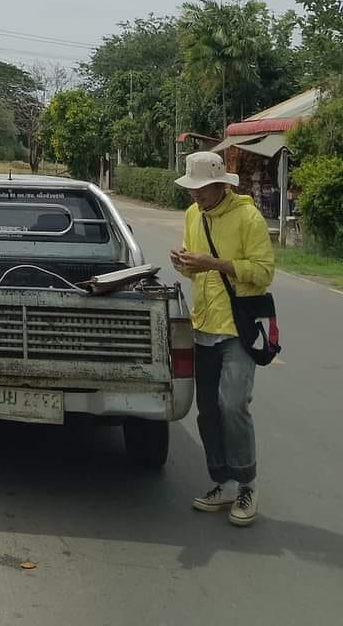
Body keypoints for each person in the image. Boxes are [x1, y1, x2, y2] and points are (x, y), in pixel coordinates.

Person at [169, 150, 274, 527]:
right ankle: (224, 482)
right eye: (191, 189)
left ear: (219, 184)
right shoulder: (192, 215)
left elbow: (263, 272)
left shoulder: (248, 217)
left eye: (201, 189)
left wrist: (212, 263)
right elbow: (196, 274)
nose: (194, 195)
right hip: (203, 324)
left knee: (232, 405)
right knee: (208, 410)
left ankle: (247, 483)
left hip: (237, 328)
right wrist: (184, 265)